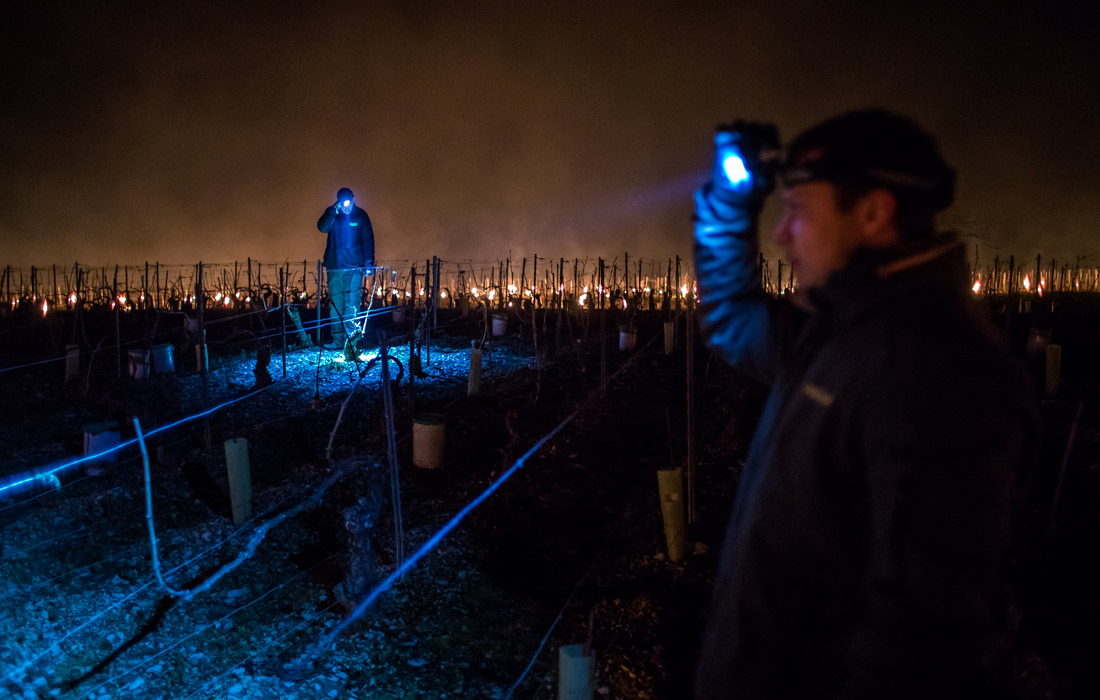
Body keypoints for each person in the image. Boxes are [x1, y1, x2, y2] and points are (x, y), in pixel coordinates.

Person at [692, 110, 1035, 699]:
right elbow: (731, 317)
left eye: (799, 210)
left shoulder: (930, 367)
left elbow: (915, 637)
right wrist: (730, 203)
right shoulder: (839, 330)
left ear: (874, 213)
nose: (782, 234)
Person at [317, 187, 375, 349]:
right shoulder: (333, 215)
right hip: (334, 268)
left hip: (354, 268)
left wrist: (368, 262)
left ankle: (350, 342)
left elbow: (368, 240)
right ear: (338, 203)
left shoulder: (361, 216)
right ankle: (337, 341)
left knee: (352, 304)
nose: (346, 206)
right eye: (343, 204)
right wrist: (332, 211)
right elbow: (322, 228)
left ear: (354, 199)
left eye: (349, 202)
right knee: (336, 304)